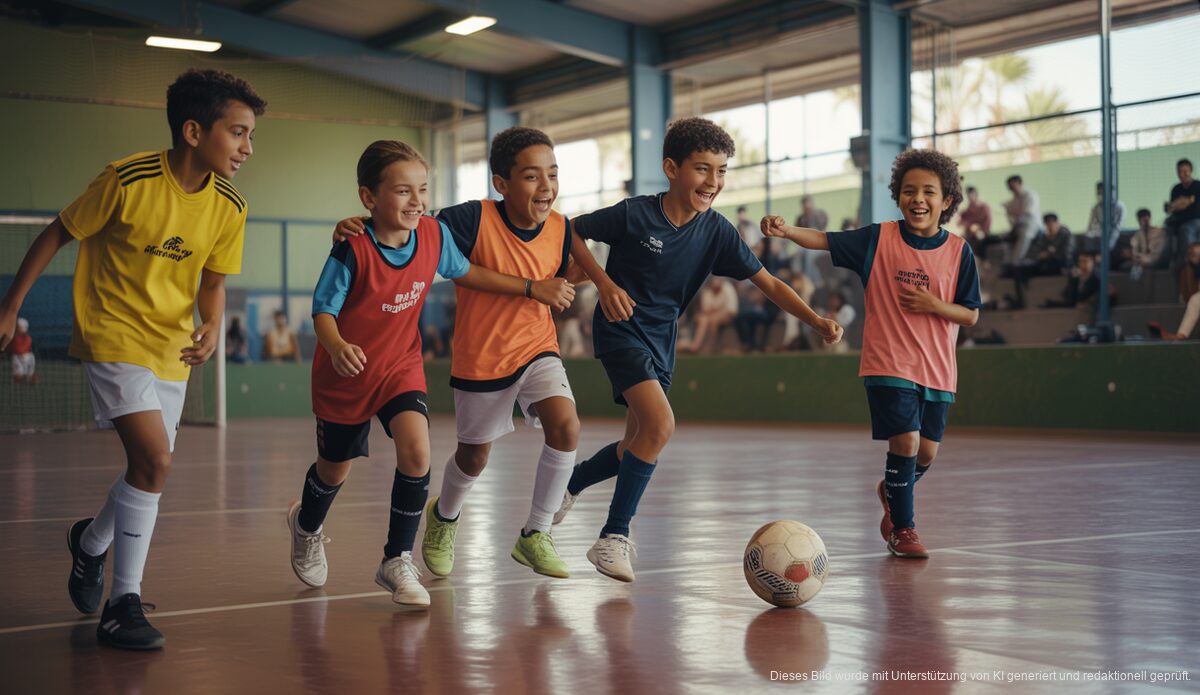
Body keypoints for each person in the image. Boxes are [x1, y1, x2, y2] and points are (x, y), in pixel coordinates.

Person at [0, 69, 265, 649]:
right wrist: (9, 305)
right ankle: (122, 604)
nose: (248, 147)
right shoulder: (127, 179)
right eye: (238, 132)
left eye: (251, 135)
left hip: (172, 348)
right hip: (112, 333)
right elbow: (55, 234)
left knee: (148, 468)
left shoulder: (230, 205)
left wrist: (213, 323)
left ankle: (89, 543)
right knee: (156, 462)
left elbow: (213, 282)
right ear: (194, 131)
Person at [554, 117, 842, 582]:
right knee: (662, 424)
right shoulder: (636, 214)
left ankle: (570, 484)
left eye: (722, 171)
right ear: (672, 167)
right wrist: (604, 283)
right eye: (703, 169)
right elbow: (568, 230)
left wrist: (814, 319)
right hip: (620, 327)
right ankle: (613, 536)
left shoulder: (717, 232)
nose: (713, 182)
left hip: (662, 340)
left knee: (636, 444)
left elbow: (767, 281)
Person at [287, 140, 574, 607]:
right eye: (403, 191)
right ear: (369, 198)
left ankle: (396, 559)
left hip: (400, 367)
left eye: (422, 189)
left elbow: (470, 273)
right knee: (332, 470)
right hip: (346, 374)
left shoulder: (434, 237)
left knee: (417, 452)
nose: (417, 201)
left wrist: (529, 288)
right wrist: (337, 346)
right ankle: (306, 525)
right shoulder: (352, 249)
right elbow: (324, 310)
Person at [761, 148, 982, 559]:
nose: (918, 199)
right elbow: (825, 240)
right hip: (888, 363)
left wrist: (934, 305)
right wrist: (787, 231)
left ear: (947, 200)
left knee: (927, 452)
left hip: (937, 369)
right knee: (907, 441)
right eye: (909, 190)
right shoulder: (878, 238)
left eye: (929, 192)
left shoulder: (959, 251)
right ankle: (904, 529)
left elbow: (969, 315)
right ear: (897, 196)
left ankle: (892, 490)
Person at [681, 276, 737, 353]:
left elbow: (731, 310)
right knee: (703, 320)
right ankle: (695, 346)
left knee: (712, 321)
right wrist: (716, 310)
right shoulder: (707, 290)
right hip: (709, 317)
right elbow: (705, 309)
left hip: (726, 315)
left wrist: (715, 311)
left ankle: (708, 348)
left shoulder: (728, 288)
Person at [1166, 158, 1200, 266]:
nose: (1182, 175)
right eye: (1179, 172)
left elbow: (1195, 210)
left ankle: (1188, 261)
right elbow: (1171, 208)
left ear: (1190, 171)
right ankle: (1174, 261)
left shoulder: (1197, 186)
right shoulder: (1176, 189)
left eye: (1185, 171)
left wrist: (1180, 206)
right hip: (1178, 221)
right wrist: (1184, 204)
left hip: (1195, 220)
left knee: (1186, 229)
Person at [1003, 175, 1042, 261]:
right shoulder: (1013, 201)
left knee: (1025, 234)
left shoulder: (1031, 195)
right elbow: (1012, 220)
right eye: (1010, 188)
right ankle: (1008, 264)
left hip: (1032, 226)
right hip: (1018, 227)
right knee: (1005, 237)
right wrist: (1008, 210)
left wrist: (1013, 212)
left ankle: (1016, 262)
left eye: (1014, 186)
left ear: (1019, 184)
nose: (1013, 190)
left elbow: (1027, 213)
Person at [1085, 181, 1127, 255]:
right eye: (1098, 192)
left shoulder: (1119, 206)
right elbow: (1090, 227)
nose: (1099, 195)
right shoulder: (1096, 207)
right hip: (1100, 237)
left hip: (1115, 238)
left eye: (1101, 192)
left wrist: (1107, 248)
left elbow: (1118, 227)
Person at [1129, 208, 1167, 277]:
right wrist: (1137, 255)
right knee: (1136, 262)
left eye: (1145, 219)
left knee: (1141, 262)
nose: (1143, 222)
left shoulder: (1159, 232)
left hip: (1155, 257)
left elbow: (1159, 251)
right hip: (1141, 258)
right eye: (1141, 220)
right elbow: (1134, 247)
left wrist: (1144, 257)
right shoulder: (1138, 234)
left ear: (1149, 218)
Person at [958, 185, 993, 257]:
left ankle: (984, 262)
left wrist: (980, 229)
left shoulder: (984, 207)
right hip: (970, 233)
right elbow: (961, 221)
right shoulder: (968, 209)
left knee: (978, 237)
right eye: (968, 195)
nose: (970, 197)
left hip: (982, 232)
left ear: (976, 195)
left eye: (972, 195)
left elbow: (988, 222)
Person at [7, 317, 36, 383]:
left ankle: (27, 377)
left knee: (29, 374)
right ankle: (24, 378)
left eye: (19, 327)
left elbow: (21, 349)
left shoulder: (28, 338)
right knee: (17, 377)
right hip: (17, 357)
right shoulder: (12, 337)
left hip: (27, 357)